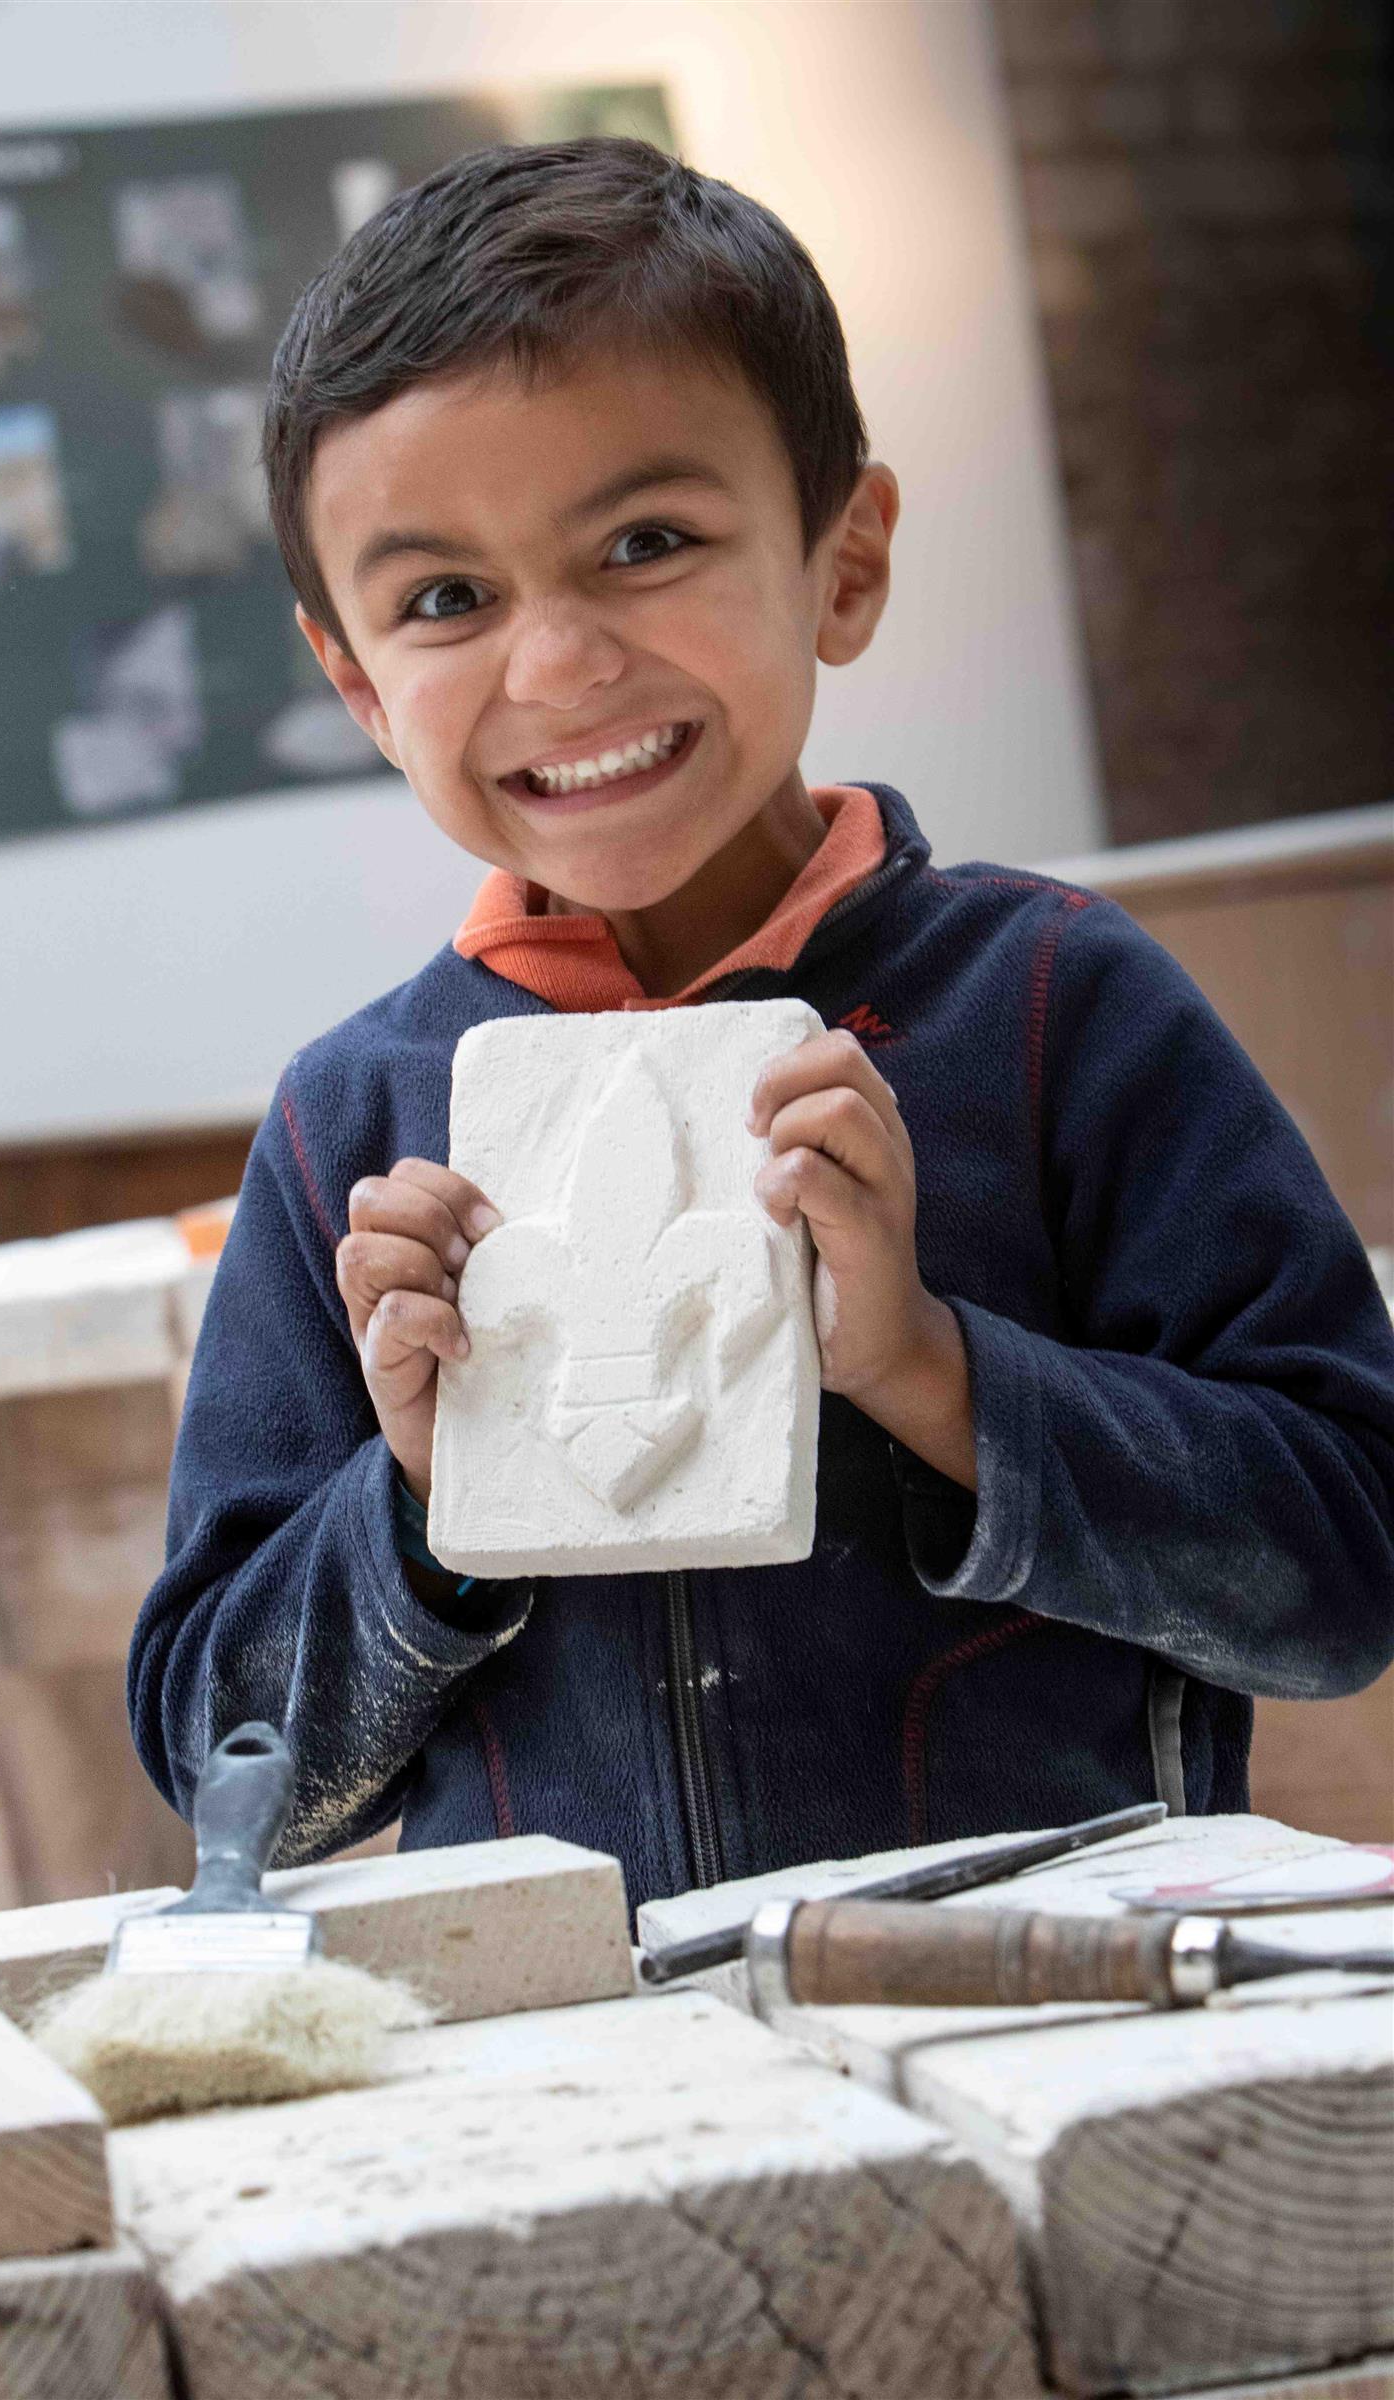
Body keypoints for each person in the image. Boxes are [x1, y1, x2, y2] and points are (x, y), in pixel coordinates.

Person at [127, 137, 1394, 1911]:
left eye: (647, 542)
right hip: (591, 2082)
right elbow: (219, 1761)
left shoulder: (1056, 1008)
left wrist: (931, 1374)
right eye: (444, 601)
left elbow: (1343, 1564)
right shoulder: (356, 1123)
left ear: (843, 562)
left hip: (1058, 2025)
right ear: (355, 682)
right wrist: (421, 1494)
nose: (558, 667)